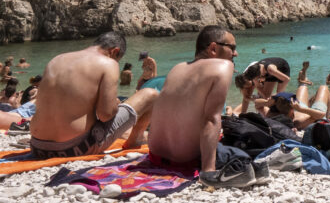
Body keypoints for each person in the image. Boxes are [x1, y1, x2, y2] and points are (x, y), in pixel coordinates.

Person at [148, 26, 266, 188]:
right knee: (249, 157)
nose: (235, 53)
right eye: (232, 48)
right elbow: (211, 118)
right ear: (213, 48)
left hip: (155, 155)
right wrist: (208, 171)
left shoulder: (177, 68)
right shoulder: (222, 66)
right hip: (185, 159)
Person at [30, 32, 157, 158]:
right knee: (151, 94)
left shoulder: (57, 59)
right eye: (117, 59)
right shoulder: (108, 63)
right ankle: (135, 140)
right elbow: (105, 115)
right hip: (75, 147)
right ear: (114, 51)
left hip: (37, 146)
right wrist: (115, 105)